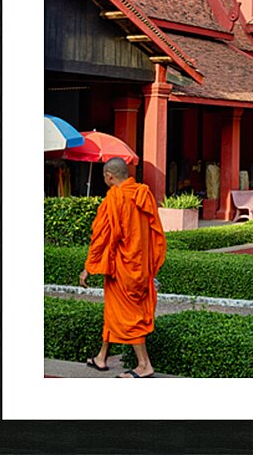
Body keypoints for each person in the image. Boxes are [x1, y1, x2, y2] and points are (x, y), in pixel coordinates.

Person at [79, 157, 166, 378]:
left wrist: (89, 267)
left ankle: (144, 365)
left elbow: (100, 238)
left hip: (123, 269)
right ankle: (102, 357)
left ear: (109, 177)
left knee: (129, 316)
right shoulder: (143, 194)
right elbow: (157, 234)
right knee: (114, 311)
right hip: (141, 265)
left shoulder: (114, 199)